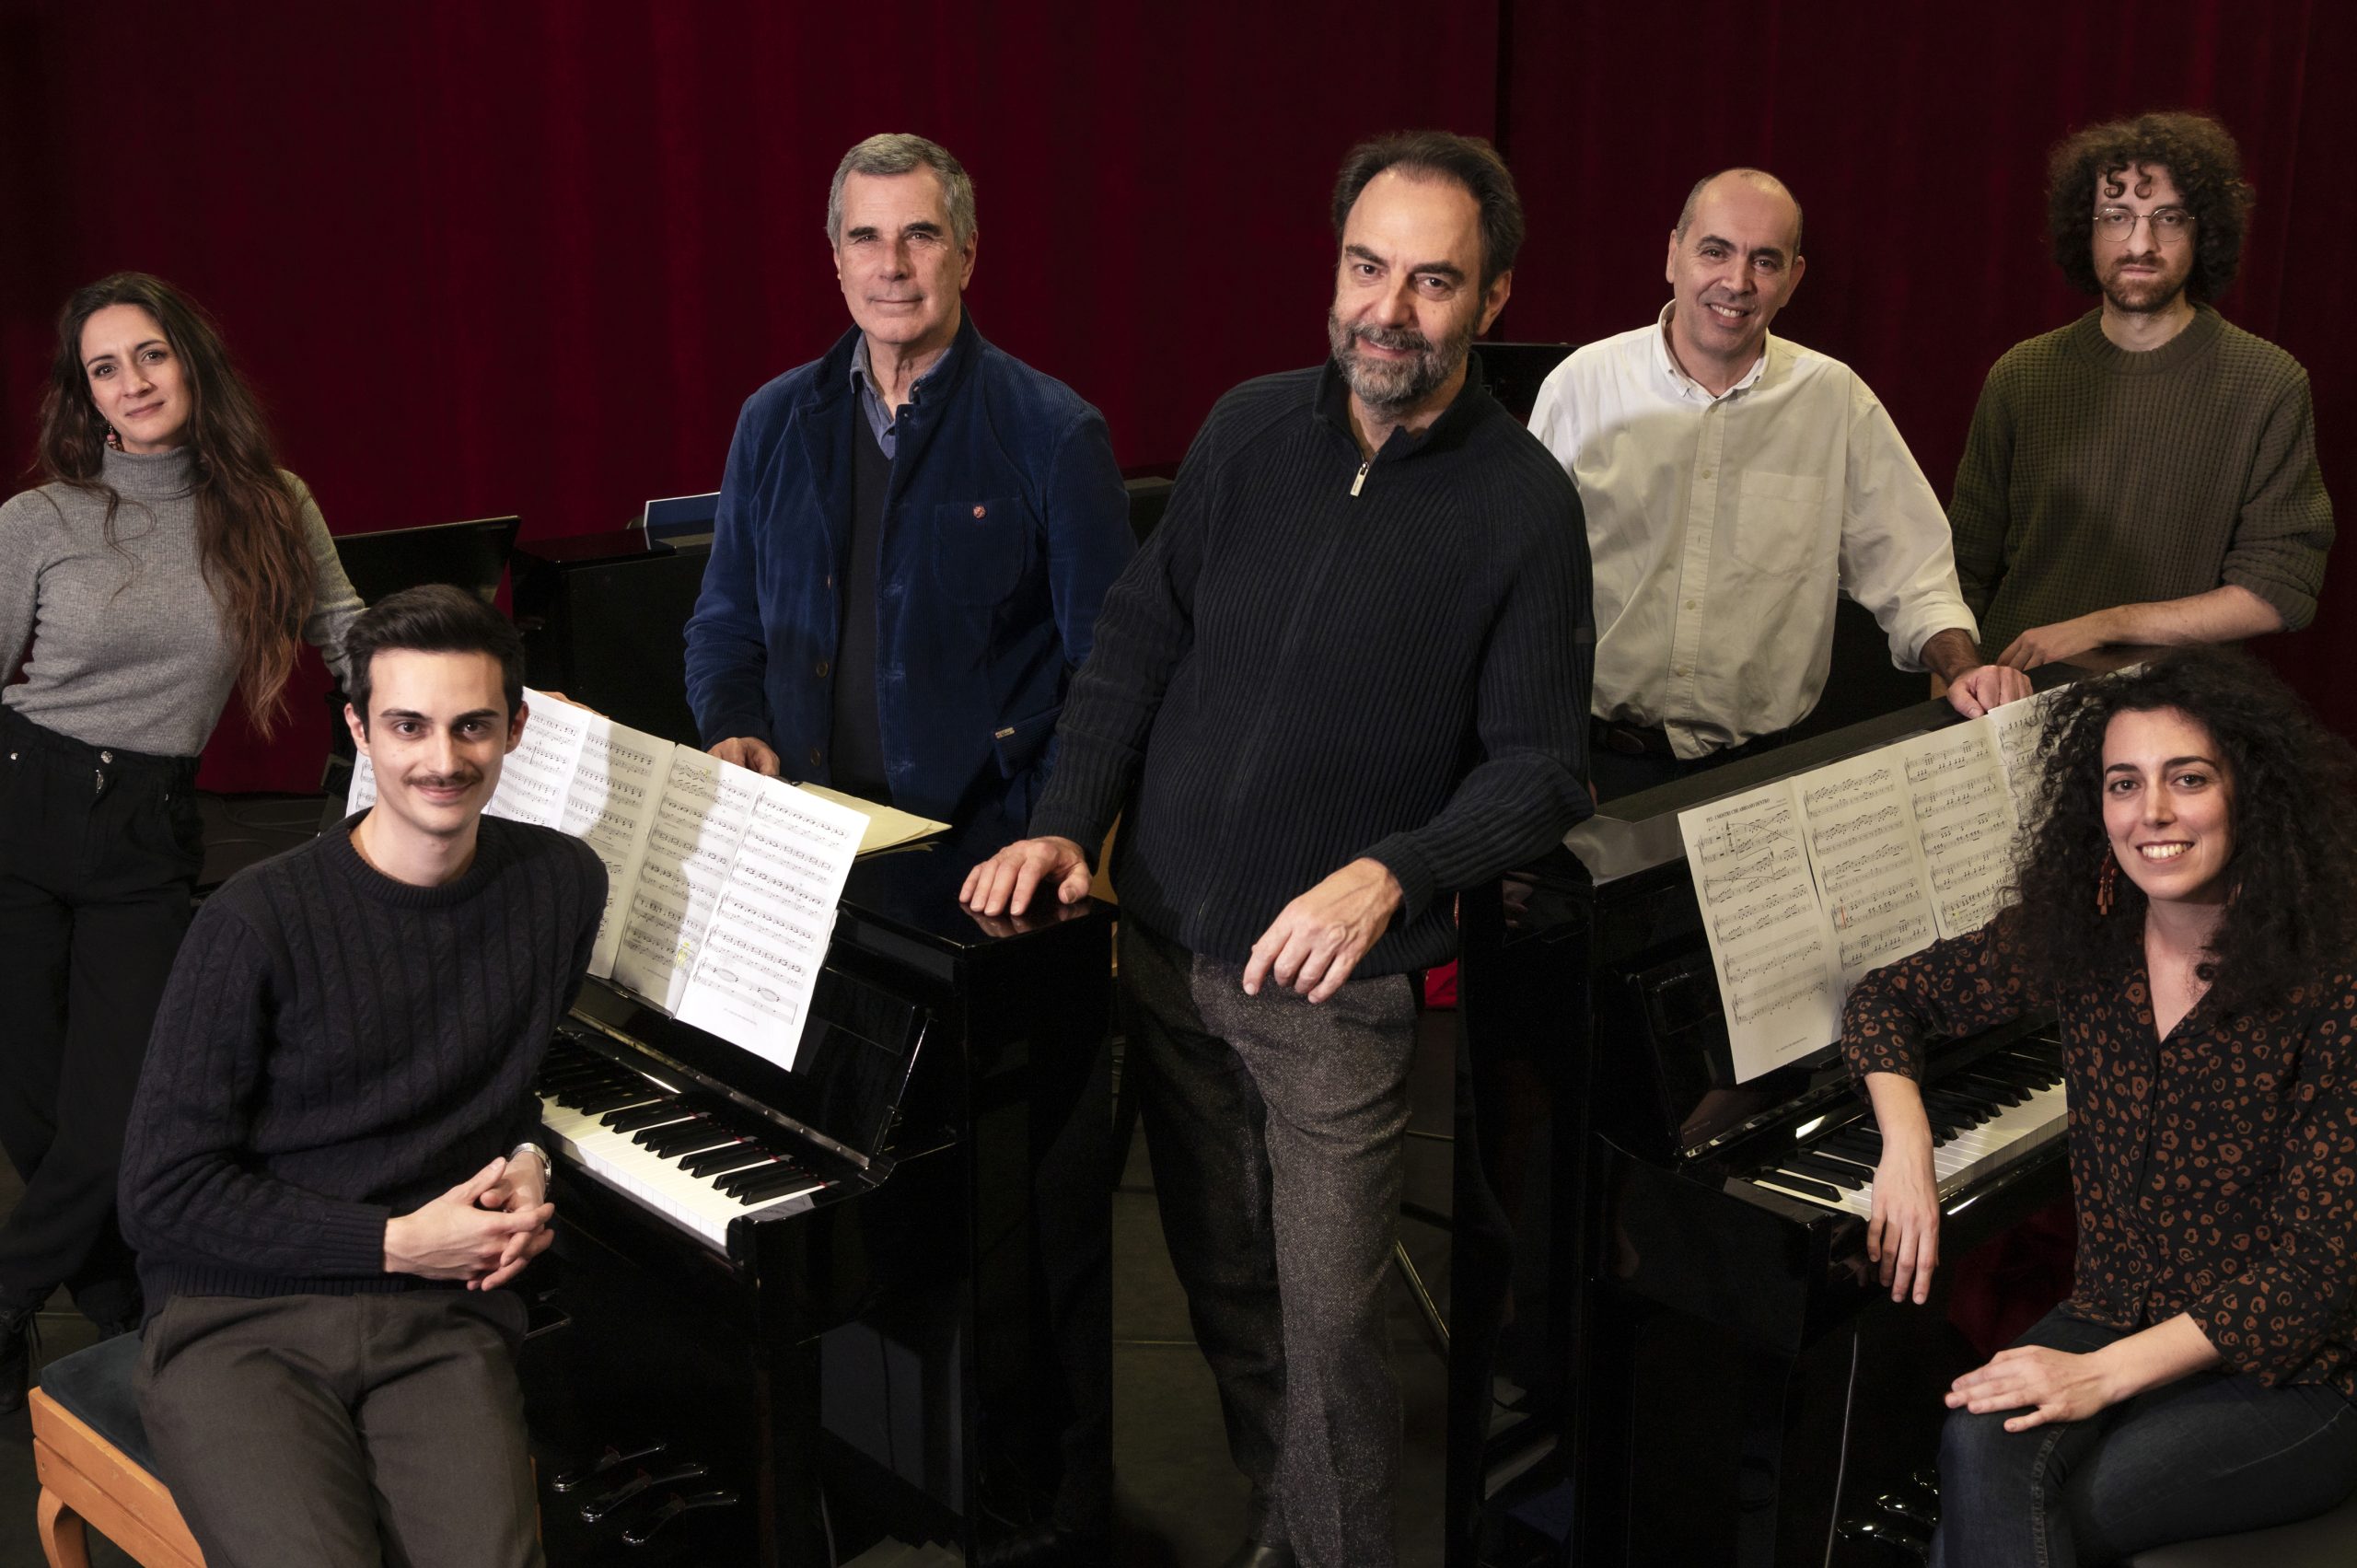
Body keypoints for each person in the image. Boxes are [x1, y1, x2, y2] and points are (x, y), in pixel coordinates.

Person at [965, 131, 1593, 1568]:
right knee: (1226, 1290)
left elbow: (1542, 768)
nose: (1389, 308)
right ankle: (1283, 1530)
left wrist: (1393, 872)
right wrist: (1065, 819)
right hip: (1165, 946)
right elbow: (1137, 637)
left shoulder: (1525, 506)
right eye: (1368, 266)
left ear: (1494, 298)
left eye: (1433, 280)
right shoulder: (1248, 427)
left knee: (1333, 1334)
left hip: (1331, 993)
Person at [118, 586, 603, 1567]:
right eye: (408, 725)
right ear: (359, 729)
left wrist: (526, 1153)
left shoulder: (561, 884)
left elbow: (505, 1073)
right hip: (239, 1316)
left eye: (473, 725)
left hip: (437, 1312)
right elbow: (160, 1195)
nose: (443, 759)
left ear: (516, 729)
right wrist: (393, 1240)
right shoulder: (252, 921)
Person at [1844, 648, 2357, 1565]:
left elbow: (2313, 1275)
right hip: (2113, 1308)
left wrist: (2094, 1375)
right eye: (2124, 783)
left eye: (2187, 778)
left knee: (2064, 1502)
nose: (2150, 811)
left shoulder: (2332, 982)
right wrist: (1907, 1148)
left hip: (2299, 1370)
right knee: (1975, 1442)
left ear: (2250, 791)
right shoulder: (2088, 936)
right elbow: (1886, 997)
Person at [0, 273, 361, 1407]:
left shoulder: (273, 503)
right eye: (104, 368)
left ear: (191, 360)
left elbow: (348, 632)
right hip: (17, 801)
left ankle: (10, 1301)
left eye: (149, 354)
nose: (133, 382)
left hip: (145, 828)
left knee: (115, 1113)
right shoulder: (39, 519)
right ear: (84, 394)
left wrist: (476, 690)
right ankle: (122, 1311)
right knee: (31, 1106)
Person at [684, 132, 1133, 841]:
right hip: (800, 838)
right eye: (865, 238)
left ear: (967, 255)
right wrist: (733, 722)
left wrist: (1050, 822)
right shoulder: (771, 420)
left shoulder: (1056, 432)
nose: (891, 265)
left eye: (920, 235)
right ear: (837, 260)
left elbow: (1113, 672)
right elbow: (724, 624)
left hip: (984, 855)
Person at [1527, 168, 2027, 798]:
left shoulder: (1837, 400)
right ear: (1673, 254)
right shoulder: (1581, 386)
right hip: (1594, 764)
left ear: (1793, 280)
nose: (1737, 282)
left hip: (1762, 777)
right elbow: (1523, 584)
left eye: (1764, 261)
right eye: (1715, 251)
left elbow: (1916, 577)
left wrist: (1963, 669)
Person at [1951, 112, 2333, 671]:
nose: (2141, 243)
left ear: (2204, 232)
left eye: (2168, 218)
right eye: (2117, 217)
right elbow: (1960, 567)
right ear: (2085, 231)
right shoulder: (2021, 374)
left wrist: (2105, 625)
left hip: (2172, 701)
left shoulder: (2268, 381)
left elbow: (2279, 588)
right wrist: (1955, 687)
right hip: (2018, 690)